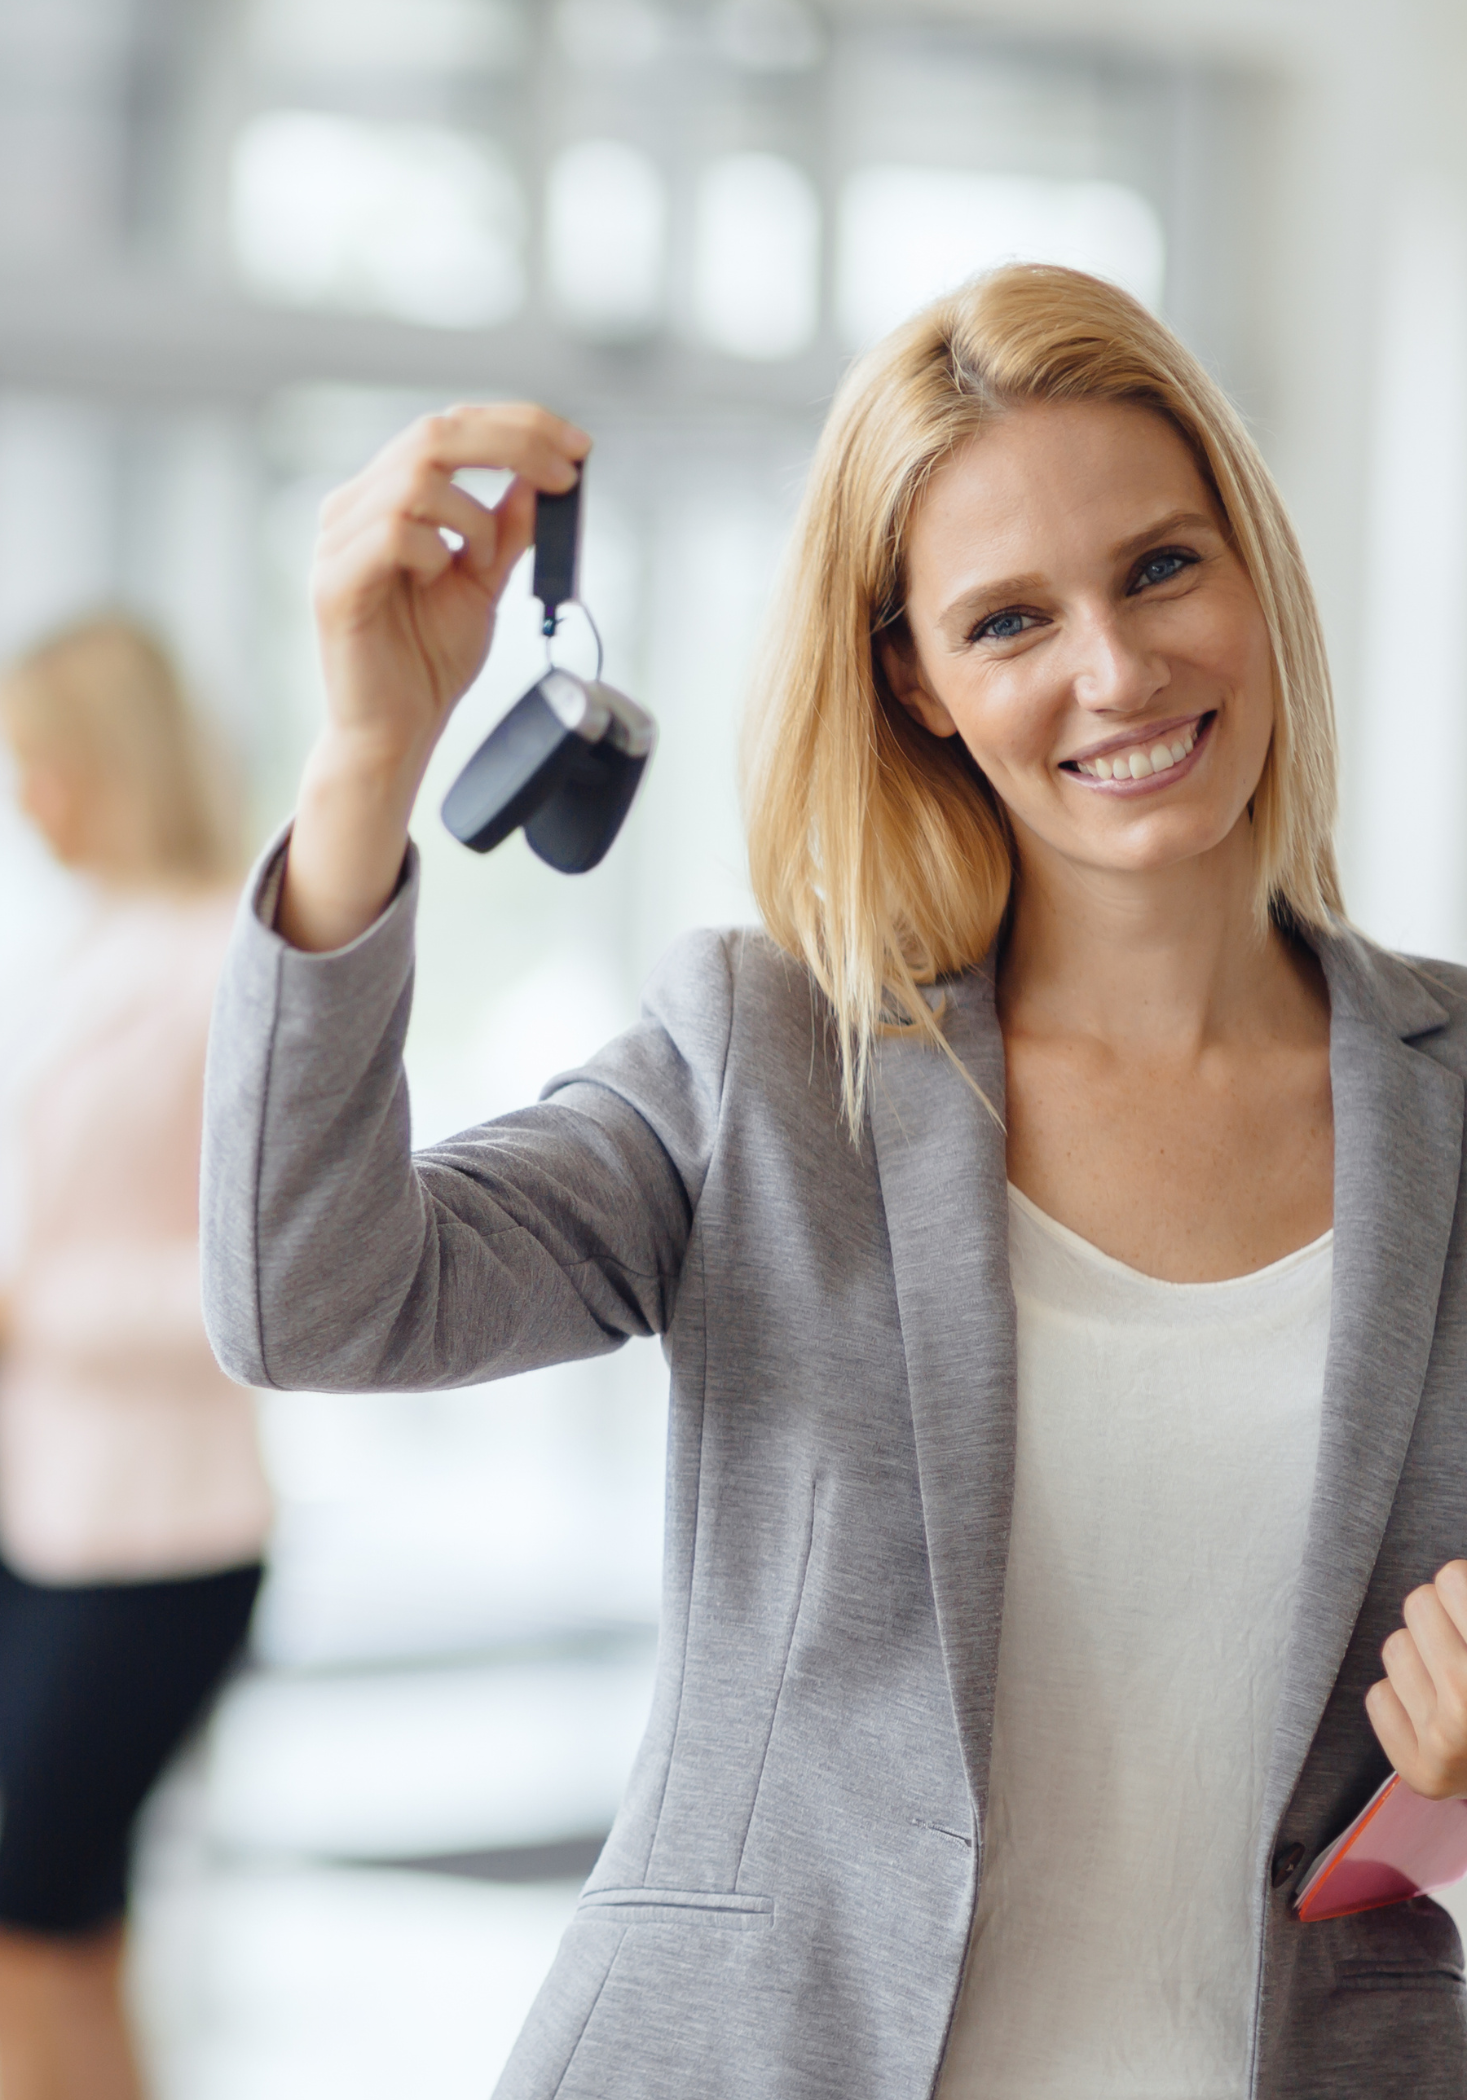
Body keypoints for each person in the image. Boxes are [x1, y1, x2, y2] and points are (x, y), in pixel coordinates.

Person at [197, 262, 1467, 2098]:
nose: (1115, 671)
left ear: (1256, 570)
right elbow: (313, 1302)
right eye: (1011, 620)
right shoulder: (771, 1060)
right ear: (916, 684)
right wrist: (367, 761)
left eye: (1161, 569)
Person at [0, 615, 272, 2100]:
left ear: (113, 765)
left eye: (41, 766)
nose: (22, 801)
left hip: (159, 1532)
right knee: (75, 1934)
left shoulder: (225, 962)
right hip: (27, 1509)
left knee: (14, 1940)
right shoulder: (72, 953)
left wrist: (20, 1307)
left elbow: (262, 1281)